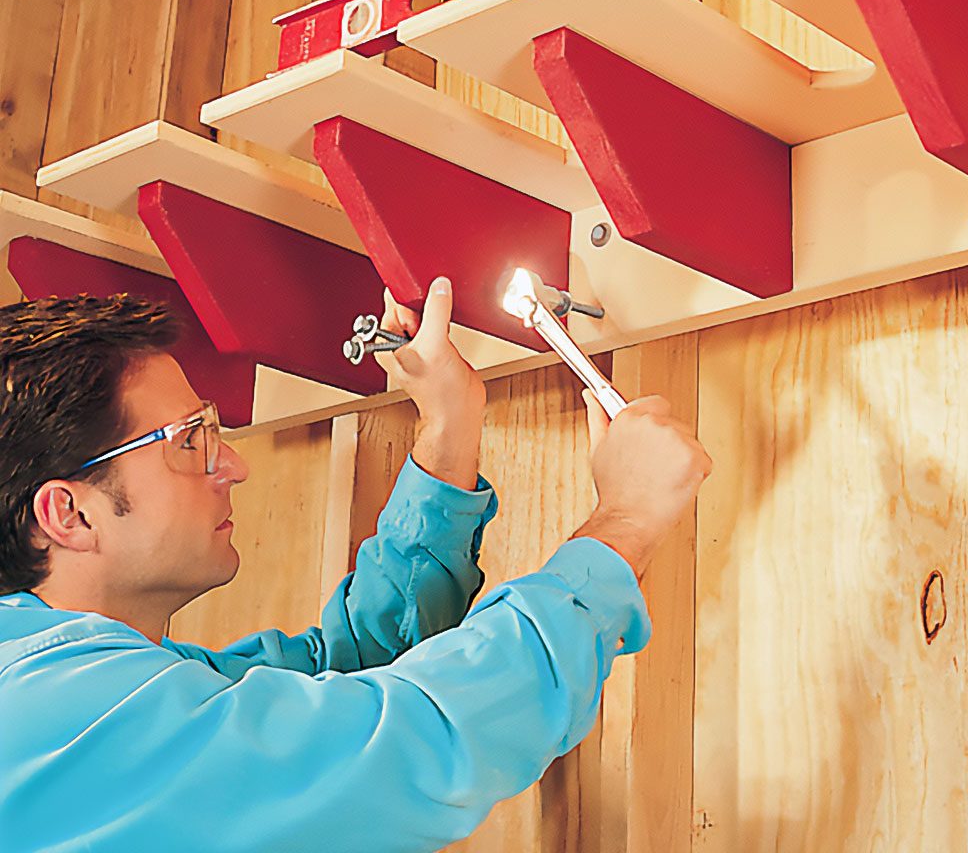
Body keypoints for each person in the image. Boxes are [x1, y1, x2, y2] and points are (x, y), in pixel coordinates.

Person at [0, 278, 710, 852]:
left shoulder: (77, 685)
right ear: (70, 514)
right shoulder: (62, 716)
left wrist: (449, 430)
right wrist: (624, 523)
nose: (234, 465)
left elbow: (339, 672)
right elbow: (407, 745)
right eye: (189, 442)